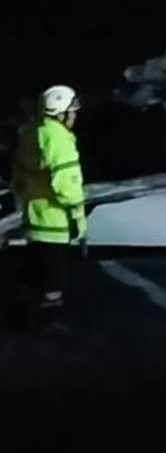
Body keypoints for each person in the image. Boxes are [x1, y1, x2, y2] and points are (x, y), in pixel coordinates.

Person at [10, 85, 86, 327]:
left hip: (34, 218)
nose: (74, 117)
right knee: (54, 278)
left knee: (33, 272)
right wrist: (77, 217)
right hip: (56, 221)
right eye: (72, 112)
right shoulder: (60, 139)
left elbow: (18, 179)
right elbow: (67, 185)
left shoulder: (31, 132)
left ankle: (24, 317)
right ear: (61, 114)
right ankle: (46, 322)